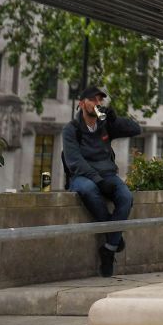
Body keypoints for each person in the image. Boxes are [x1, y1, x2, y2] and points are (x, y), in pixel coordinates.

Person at [62, 86, 142, 277]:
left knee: (125, 197)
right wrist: (98, 180)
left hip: (107, 174)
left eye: (100, 100)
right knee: (89, 189)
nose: (98, 103)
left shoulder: (105, 125)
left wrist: (116, 119)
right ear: (82, 104)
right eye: (93, 100)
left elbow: (136, 129)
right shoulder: (71, 129)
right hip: (82, 177)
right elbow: (75, 161)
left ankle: (109, 248)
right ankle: (113, 235)